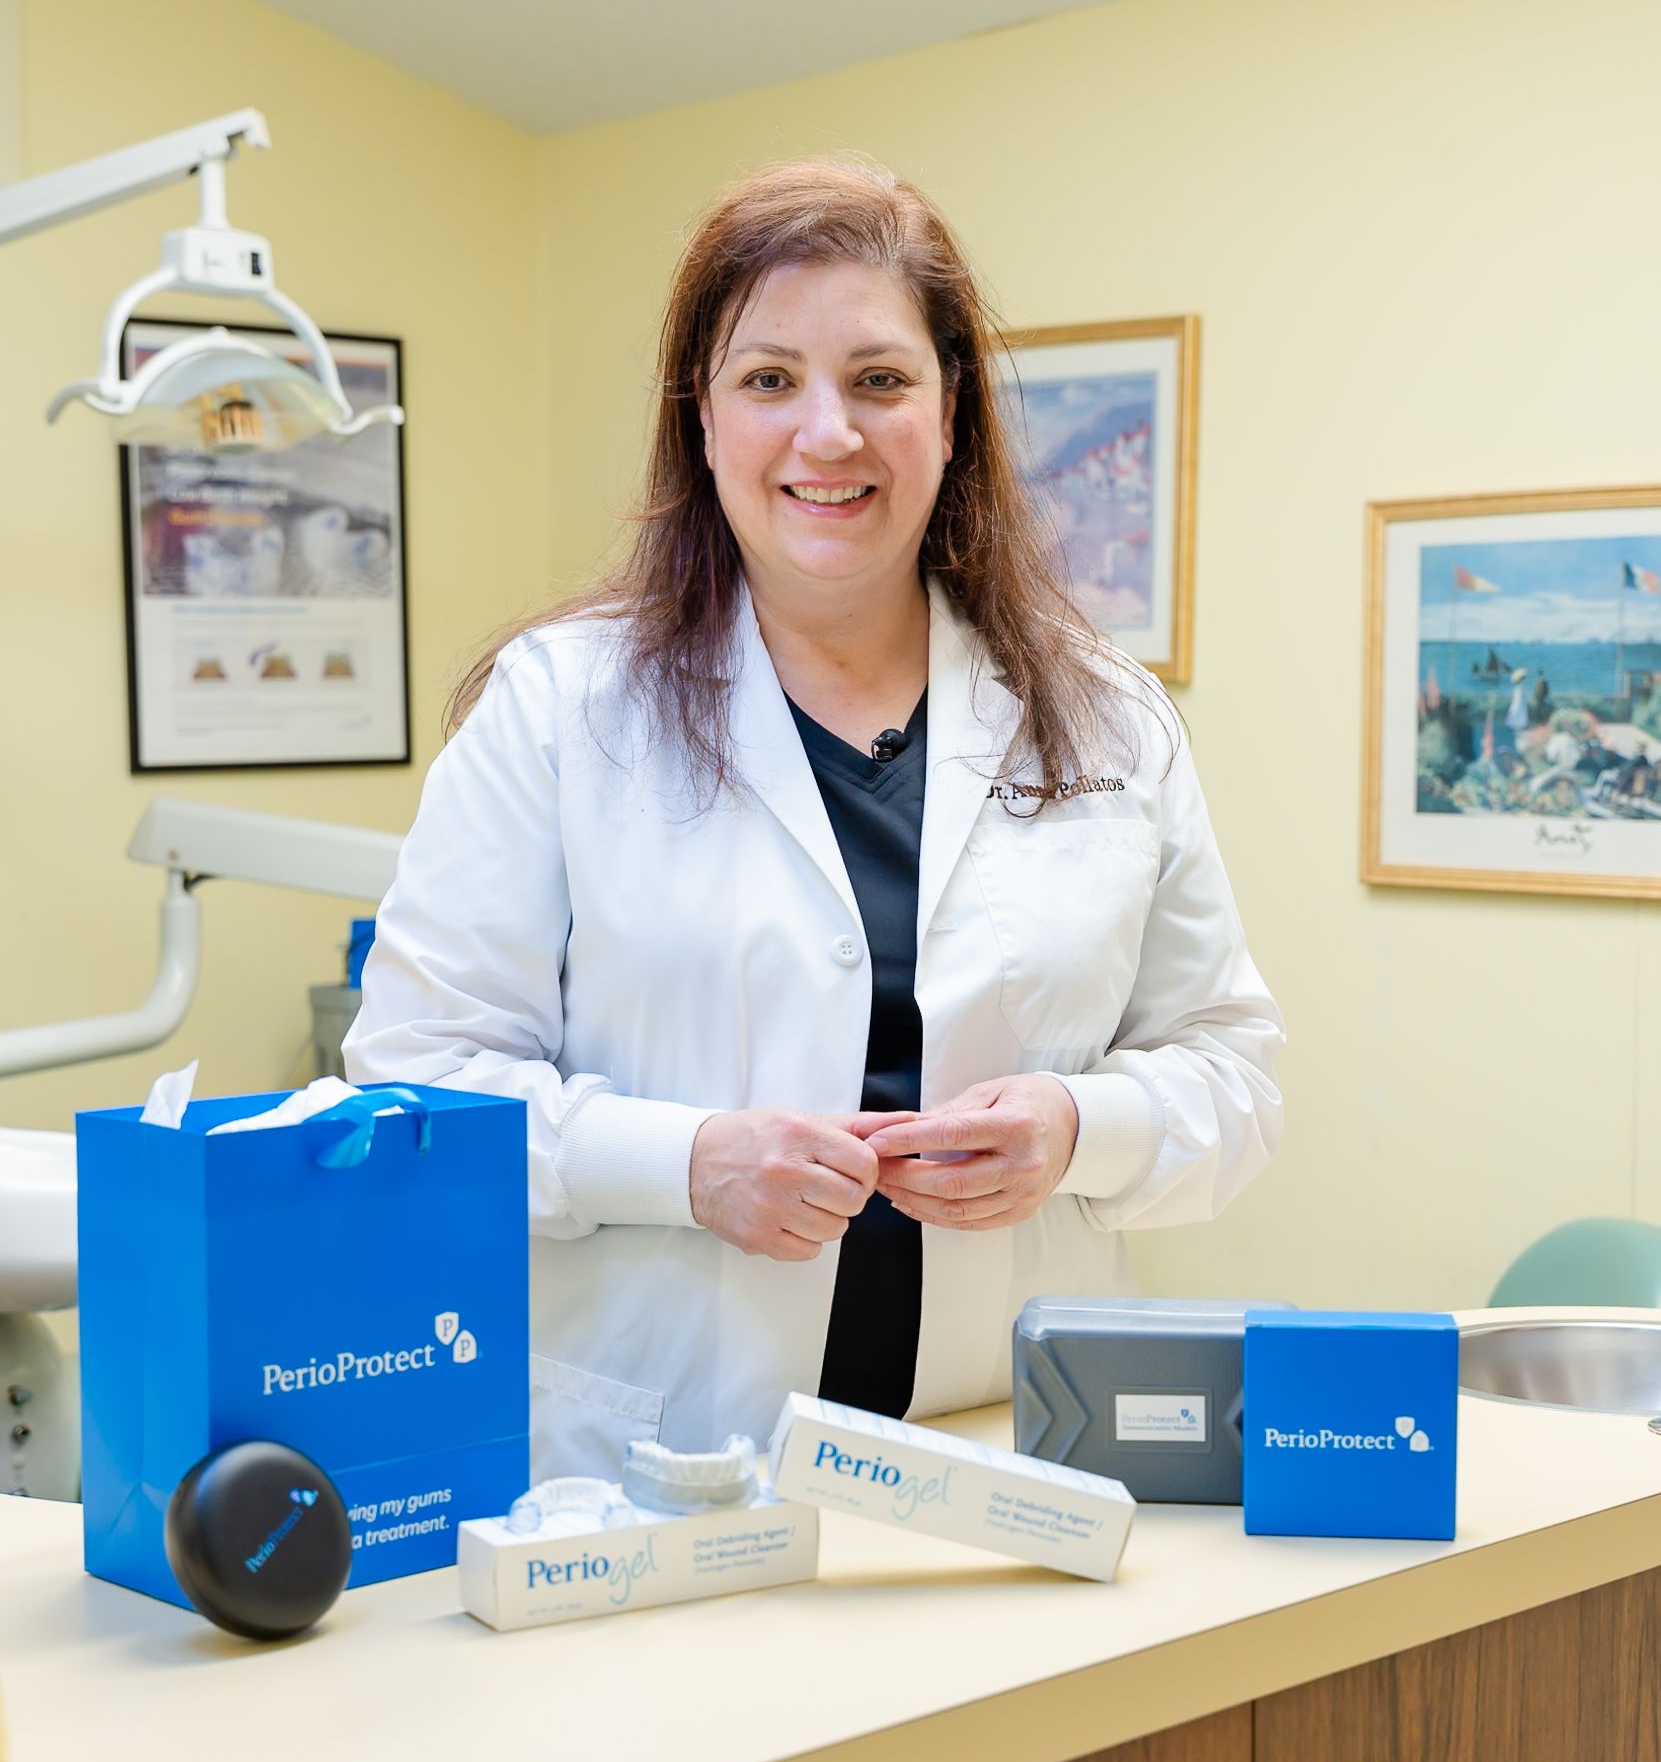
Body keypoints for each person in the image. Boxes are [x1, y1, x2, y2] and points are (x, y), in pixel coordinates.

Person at [345, 160, 1284, 1479]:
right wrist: (686, 1165)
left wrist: (1080, 1131)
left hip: (1009, 1447)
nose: (827, 433)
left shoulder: (1104, 713)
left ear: (950, 412)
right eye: (769, 379)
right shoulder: (558, 707)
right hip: (653, 1459)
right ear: (704, 421)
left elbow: (1230, 1075)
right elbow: (415, 1083)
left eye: (881, 380)